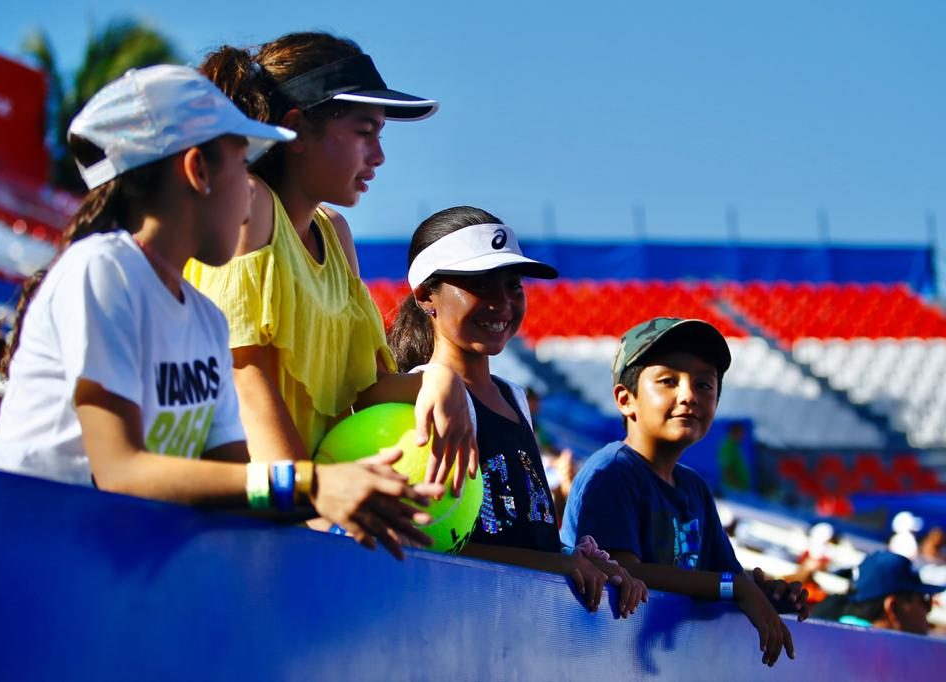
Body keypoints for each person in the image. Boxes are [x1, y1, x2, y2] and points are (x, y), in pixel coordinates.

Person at [0, 64, 439, 559]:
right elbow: (120, 471)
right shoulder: (102, 269)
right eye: (244, 166)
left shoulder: (205, 318)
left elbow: (238, 483)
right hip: (11, 544)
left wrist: (351, 502)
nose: (250, 194)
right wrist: (313, 485)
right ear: (198, 170)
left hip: (90, 561)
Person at [186, 33, 477, 496]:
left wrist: (441, 381)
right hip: (256, 511)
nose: (379, 156)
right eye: (365, 132)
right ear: (298, 129)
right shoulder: (251, 203)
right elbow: (243, 373)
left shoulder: (335, 232)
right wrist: (307, 496)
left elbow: (363, 387)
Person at [388, 206, 648, 615]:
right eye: (480, 286)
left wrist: (580, 557)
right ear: (425, 295)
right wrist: (556, 564)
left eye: (513, 286)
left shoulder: (515, 397)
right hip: (458, 624)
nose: (502, 303)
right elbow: (435, 546)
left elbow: (520, 529)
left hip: (519, 626)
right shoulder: (419, 396)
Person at [562, 317, 809, 666]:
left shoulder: (693, 487)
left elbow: (725, 577)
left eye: (704, 385)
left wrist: (766, 595)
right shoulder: (612, 473)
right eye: (668, 381)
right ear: (625, 399)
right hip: (600, 661)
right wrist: (734, 588)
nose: (689, 395)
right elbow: (624, 573)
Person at [839, 551, 944, 635]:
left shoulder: (833, 638)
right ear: (892, 607)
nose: (929, 610)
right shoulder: (876, 656)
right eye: (925, 600)